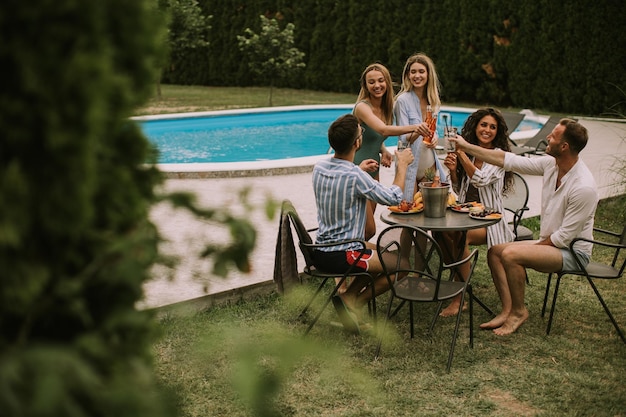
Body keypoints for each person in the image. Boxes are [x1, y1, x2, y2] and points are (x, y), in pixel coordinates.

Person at [450, 118, 598, 335]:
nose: (547, 137)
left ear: (564, 146)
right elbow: (506, 160)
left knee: (510, 254)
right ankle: (507, 310)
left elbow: (564, 238)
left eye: (553, 136)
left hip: (572, 252)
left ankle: (519, 312)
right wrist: (466, 147)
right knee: (495, 251)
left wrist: (532, 247)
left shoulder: (583, 187)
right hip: (552, 243)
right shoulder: (551, 164)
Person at [312, 113, 415, 333]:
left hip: (320, 250)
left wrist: (359, 170)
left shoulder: (319, 168)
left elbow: (344, 176)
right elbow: (393, 197)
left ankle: (350, 299)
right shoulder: (355, 177)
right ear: (357, 142)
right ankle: (352, 299)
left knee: (384, 252)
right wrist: (402, 166)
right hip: (343, 255)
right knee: (402, 265)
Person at [438, 107, 515, 317]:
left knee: (459, 236)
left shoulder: (498, 156)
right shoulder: (470, 155)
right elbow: (459, 192)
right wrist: (453, 172)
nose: (487, 130)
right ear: (476, 127)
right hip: (465, 215)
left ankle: (458, 297)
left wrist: (461, 152)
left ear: (497, 132)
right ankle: (457, 278)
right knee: (440, 232)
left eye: (492, 127)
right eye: (484, 125)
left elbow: (480, 180)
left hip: (490, 222)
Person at [352, 63, 426, 241]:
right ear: (365, 86)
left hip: (373, 171)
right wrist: (416, 126)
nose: (377, 85)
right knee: (366, 229)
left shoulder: (387, 108)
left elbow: (372, 135)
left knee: (366, 230)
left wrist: (383, 149)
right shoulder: (362, 107)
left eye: (380, 80)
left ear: (387, 82)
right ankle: (349, 260)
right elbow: (383, 130)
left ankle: (355, 262)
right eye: (371, 82)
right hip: (357, 169)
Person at [394, 53, 447, 201]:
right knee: (408, 211)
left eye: (421, 71)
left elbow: (433, 131)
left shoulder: (433, 100)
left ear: (428, 74)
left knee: (429, 209)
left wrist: (435, 137)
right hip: (408, 162)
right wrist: (417, 130)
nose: (417, 76)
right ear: (408, 75)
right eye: (413, 72)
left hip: (428, 162)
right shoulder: (402, 101)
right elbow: (404, 139)